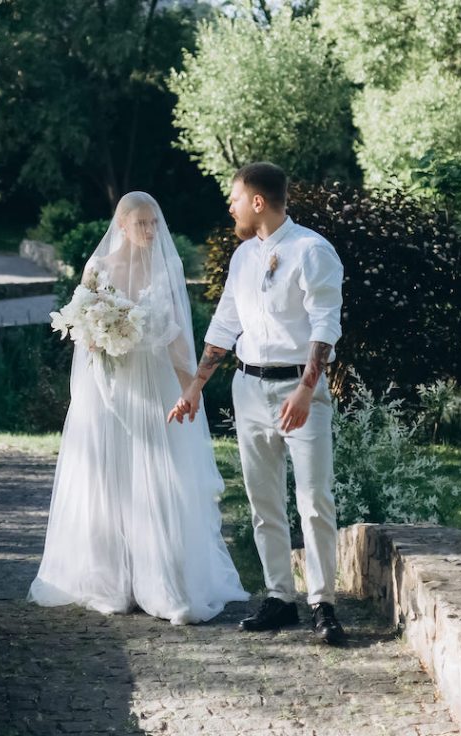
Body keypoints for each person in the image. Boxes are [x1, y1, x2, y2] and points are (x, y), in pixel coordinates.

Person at [28, 191, 248, 625]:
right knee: (110, 477)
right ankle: (111, 581)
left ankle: (162, 581)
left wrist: (191, 386)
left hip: (155, 384)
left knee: (159, 474)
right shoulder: (100, 269)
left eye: (154, 223)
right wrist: (98, 335)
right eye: (142, 223)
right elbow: (83, 329)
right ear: (122, 225)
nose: (150, 231)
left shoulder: (163, 267)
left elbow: (175, 332)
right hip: (110, 386)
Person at [169, 163, 346, 644]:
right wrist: (194, 388)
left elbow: (325, 325)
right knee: (263, 501)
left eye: (234, 198)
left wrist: (307, 390)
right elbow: (226, 325)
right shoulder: (243, 257)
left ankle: (324, 603)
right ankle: (279, 598)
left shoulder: (312, 251)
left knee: (314, 500)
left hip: (298, 389)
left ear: (258, 202)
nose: (230, 206)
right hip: (248, 388)